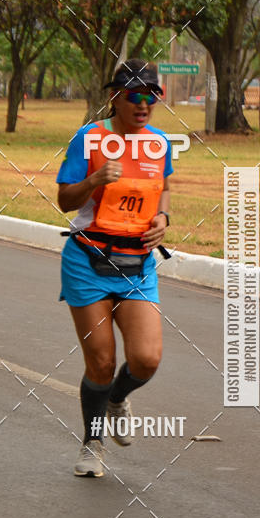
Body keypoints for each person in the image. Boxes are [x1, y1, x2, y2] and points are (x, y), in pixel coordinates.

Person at [56, 59, 173, 477]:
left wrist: (163, 219)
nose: (143, 104)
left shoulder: (159, 143)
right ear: (116, 98)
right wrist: (93, 181)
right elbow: (65, 201)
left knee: (146, 359)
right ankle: (92, 443)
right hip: (88, 260)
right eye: (135, 96)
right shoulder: (89, 140)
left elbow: (163, 189)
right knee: (101, 361)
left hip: (138, 264)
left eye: (151, 96)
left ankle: (117, 398)